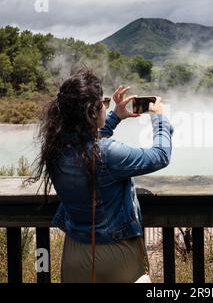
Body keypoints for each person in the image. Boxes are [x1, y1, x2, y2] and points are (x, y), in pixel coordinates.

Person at [27, 69, 173, 282]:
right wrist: (159, 119)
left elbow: (84, 144)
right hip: (116, 255)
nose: (106, 107)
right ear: (92, 111)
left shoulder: (55, 148)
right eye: (103, 104)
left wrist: (115, 117)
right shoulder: (108, 154)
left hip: (75, 253)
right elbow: (160, 156)